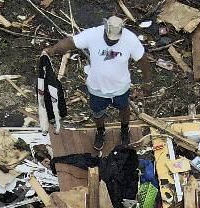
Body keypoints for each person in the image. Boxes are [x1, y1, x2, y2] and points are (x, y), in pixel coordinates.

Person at [43, 16, 151, 150]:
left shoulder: (130, 39)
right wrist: (53, 50)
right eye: (109, 39)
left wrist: (146, 82)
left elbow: (143, 60)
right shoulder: (93, 34)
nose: (111, 42)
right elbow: (71, 42)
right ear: (105, 29)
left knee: (123, 108)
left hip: (120, 87)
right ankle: (100, 131)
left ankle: (124, 130)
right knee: (97, 112)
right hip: (97, 87)